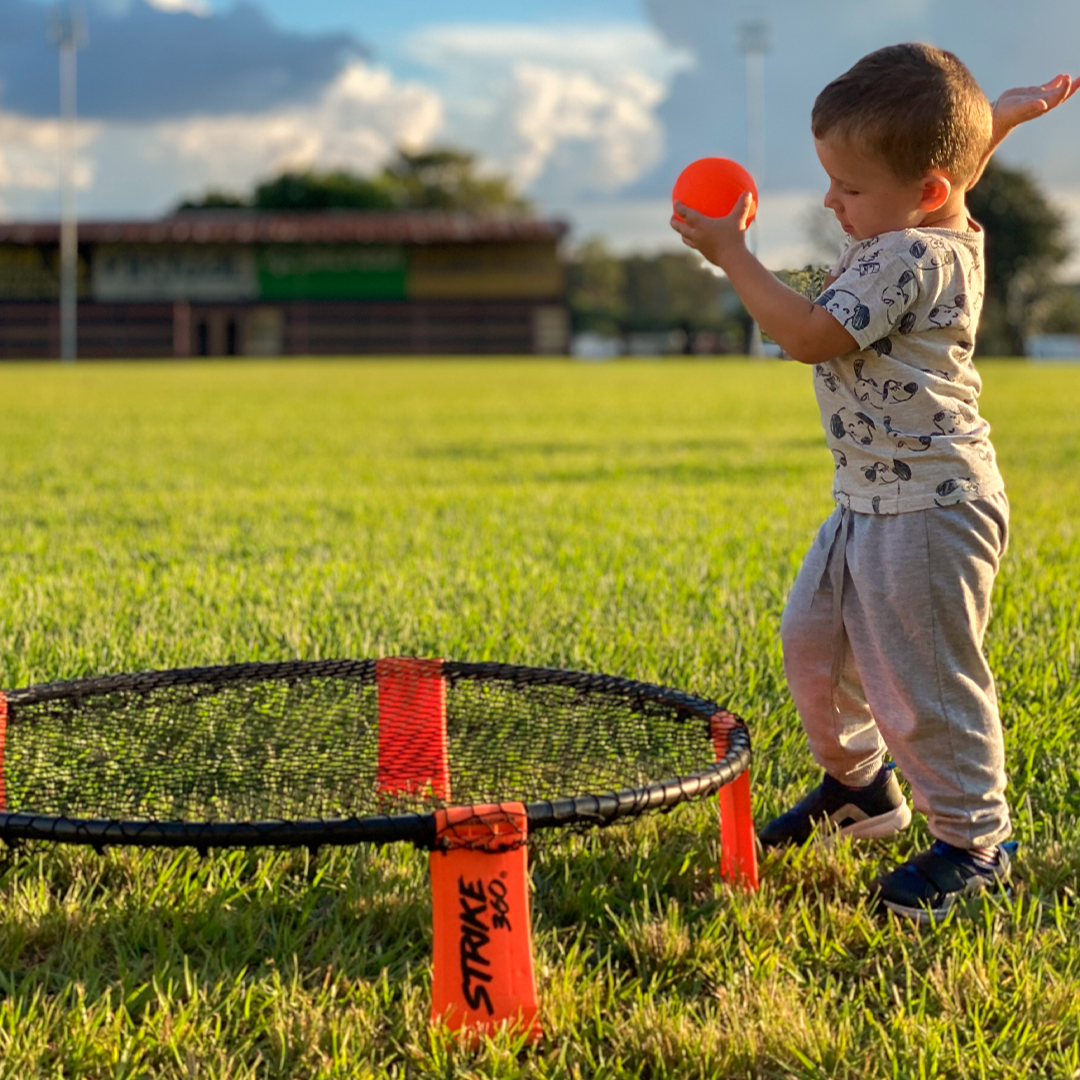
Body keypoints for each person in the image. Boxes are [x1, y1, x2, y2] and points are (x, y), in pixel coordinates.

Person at [671, 44, 1077, 922]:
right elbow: (943, 173)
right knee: (814, 643)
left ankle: (975, 844)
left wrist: (733, 256)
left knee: (925, 683)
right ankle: (861, 791)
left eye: (846, 187)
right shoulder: (926, 221)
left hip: (931, 507)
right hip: (868, 498)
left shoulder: (909, 257)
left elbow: (810, 336)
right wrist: (994, 123)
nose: (831, 202)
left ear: (925, 190)